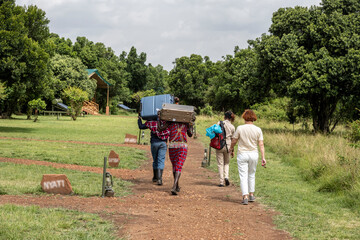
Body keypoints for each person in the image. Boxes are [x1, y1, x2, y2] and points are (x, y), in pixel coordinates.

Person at [229, 109, 266, 205]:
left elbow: (234, 140)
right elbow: (261, 144)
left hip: (242, 154)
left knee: (243, 175)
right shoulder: (258, 129)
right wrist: (263, 157)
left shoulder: (240, 128)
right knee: (252, 174)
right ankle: (251, 194)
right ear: (253, 118)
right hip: (254, 154)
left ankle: (245, 196)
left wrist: (231, 149)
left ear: (244, 117)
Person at [158, 119, 193, 195]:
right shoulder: (186, 123)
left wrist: (159, 119)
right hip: (182, 145)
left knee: (175, 166)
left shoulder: (170, 122)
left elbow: (160, 129)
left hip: (172, 145)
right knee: (178, 166)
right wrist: (191, 125)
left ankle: (175, 185)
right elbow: (190, 134)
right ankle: (175, 186)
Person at [138, 114, 170, 185]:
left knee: (155, 160)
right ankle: (160, 179)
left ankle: (155, 177)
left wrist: (139, 119)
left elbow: (141, 126)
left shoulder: (151, 122)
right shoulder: (167, 123)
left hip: (154, 143)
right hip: (163, 143)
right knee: (161, 160)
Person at [216, 111, 235, 187]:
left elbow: (214, 132)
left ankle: (221, 182)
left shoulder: (219, 123)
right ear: (231, 118)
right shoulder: (232, 127)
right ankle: (226, 177)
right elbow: (233, 139)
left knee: (220, 164)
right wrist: (232, 150)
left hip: (219, 145)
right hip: (228, 146)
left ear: (224, 116)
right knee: (226, 163)